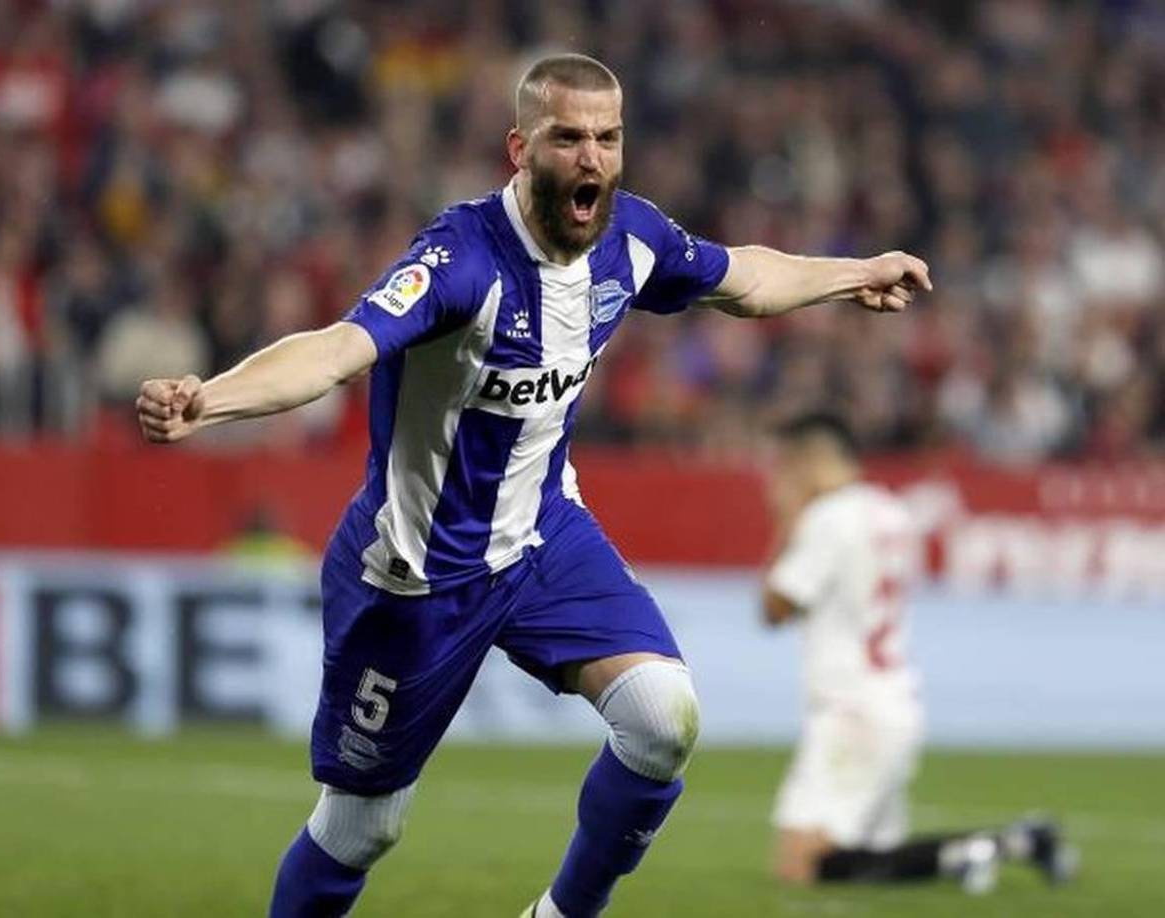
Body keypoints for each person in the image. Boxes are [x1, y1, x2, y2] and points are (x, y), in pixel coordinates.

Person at [137, 53, 931, 918]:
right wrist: (207, 402)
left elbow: (743, 277)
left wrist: (856, 274)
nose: (591, 157)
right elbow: (334, 351)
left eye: (607, 138)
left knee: (664, 719)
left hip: (544, 537)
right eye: (568, 138)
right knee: (364, 827)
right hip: (416, 575)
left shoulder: (631, 237)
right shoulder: (458, 259)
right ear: (521, 148)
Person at [761, 411, 1077, 894]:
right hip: (895, 699)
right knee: (874, 858)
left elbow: (776, 607)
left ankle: (979, 852)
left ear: (812, 462)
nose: (778, 478)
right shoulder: (890, 511)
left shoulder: (828, 519)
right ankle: (1014, 844)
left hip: (850, 710)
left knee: (802, 863)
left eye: (786, 465)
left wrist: (787, 520)